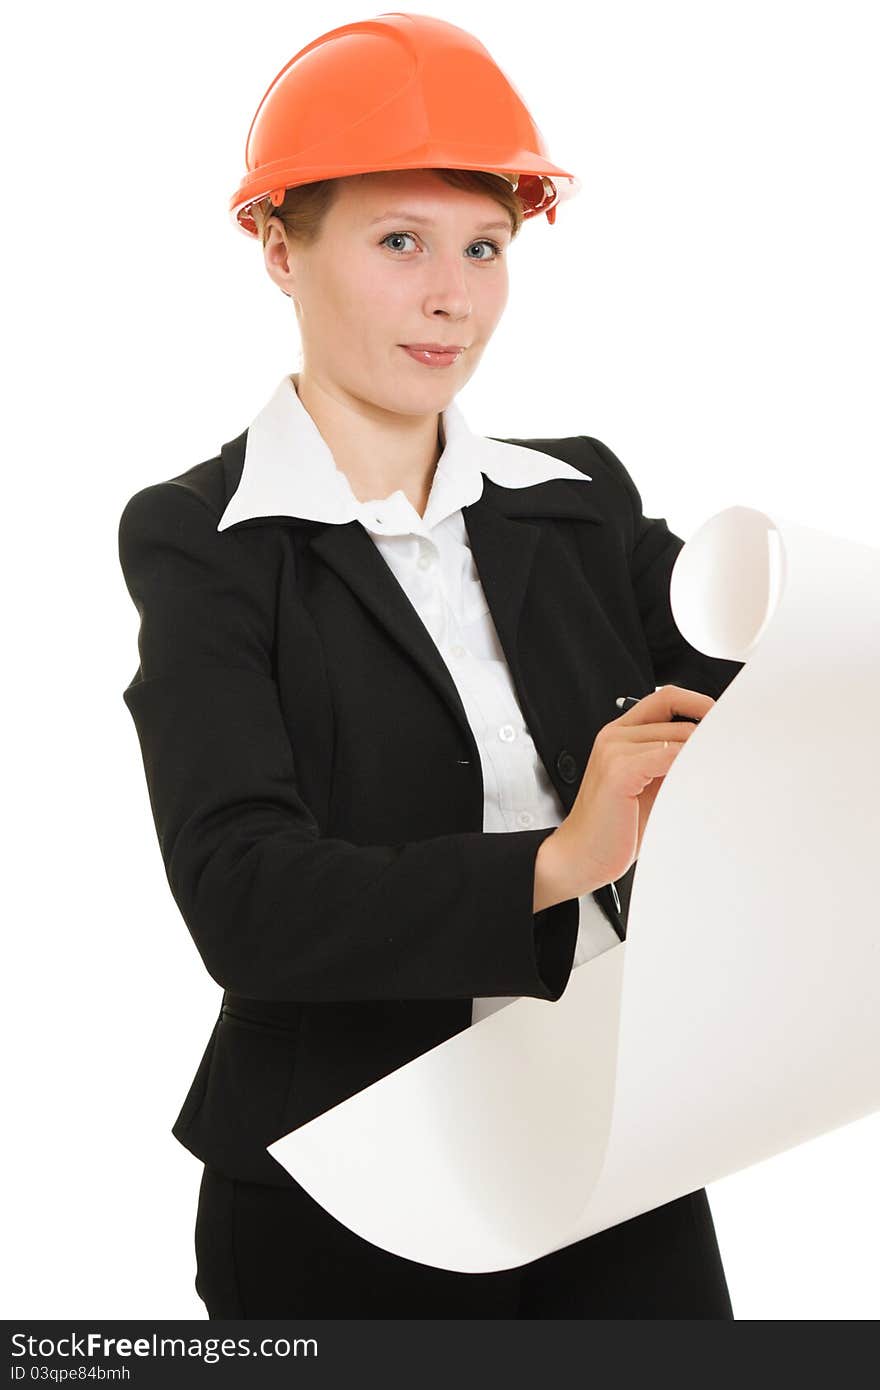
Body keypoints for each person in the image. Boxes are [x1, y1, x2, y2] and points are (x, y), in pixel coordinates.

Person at [118, 13, 744, 1318]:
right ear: (278, 248)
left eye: (485, 247)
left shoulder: (575, 498)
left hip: (610, 1160)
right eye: (399, 241)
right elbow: (244, 894)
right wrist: (556, 860)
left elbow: (750, 661)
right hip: (342, 1191)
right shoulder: (204, 541)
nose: (453, 296)